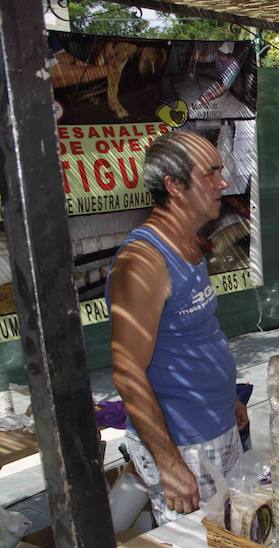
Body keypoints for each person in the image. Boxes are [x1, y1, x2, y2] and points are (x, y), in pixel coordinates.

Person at [107, 131, 248, 525]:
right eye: (212, 173)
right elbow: (127, 372)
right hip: (184, 445)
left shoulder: (189, 244)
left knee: (235, 546)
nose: (224, 182)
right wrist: (169, 464)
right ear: (174, 186)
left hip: (214, 428)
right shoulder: (144, 262)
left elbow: (195, 334)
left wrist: (226, 400)